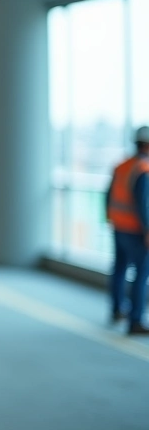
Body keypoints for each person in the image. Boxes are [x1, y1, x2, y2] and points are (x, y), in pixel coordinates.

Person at [106, 125, 149, 335]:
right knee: (141, 273)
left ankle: (117, 310)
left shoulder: (122, 166)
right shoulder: (143, 169)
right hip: (135, 229)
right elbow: (144, 204)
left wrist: (110, 218)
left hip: (118, 224)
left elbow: (108, 195)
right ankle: (135, 320)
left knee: (120, 268)